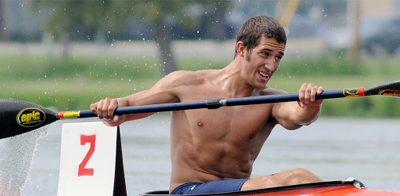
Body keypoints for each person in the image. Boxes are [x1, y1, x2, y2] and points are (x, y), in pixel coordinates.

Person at [90, 15, 324, 194]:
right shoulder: (186, 84)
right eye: (265, 54)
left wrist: (311, 104)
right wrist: (111, 107)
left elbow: (298, 117)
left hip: (239, 190)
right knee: (279, 183)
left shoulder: (271, 100)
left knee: (300, 177)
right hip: (188, 190)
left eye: (278, 58)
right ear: (242, 49)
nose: (271, 66)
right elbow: (126, 108)